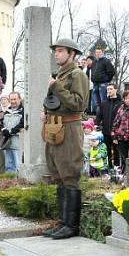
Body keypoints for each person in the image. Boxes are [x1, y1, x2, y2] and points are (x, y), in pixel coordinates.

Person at [40, 38, 89, 240]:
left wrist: (56, 87)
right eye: (56, 51)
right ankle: (62, 222)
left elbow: (79, 103)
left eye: (60, 51)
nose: (56, 54)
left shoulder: (77, 74)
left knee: (69, 174)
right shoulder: (60, 74)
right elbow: (57, 102)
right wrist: (46, 112)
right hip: (55, 126)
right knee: (58, 174)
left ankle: (72, 225)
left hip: (69, 127)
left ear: (72, 54)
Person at [95, 83, 122, 168]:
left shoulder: (121, 103)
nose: (109, 91)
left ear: (116, 90)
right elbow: (99, 115)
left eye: (111, 89)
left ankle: (117, 168)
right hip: (106, 131)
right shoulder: (104, 103)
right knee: (107, 151)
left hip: (117, 132)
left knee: (117, 151)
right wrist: (96, 124)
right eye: (108, 89)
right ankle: (108, 168)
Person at [0, 91, 24, 173]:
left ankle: (19, 183)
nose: (13, 101)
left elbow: (23, 123)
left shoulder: (23, 111)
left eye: (15, 99)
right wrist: (3, 130)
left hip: (18, 144)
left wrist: (11, 131)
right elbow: (1, 124)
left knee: (18, 165)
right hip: (7, 143)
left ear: (19, 99)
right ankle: (10, 183)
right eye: (11, 99)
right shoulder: (7, 111)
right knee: (9, 166)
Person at [90, 46, 115, 114]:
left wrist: (107, 79)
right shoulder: (94, 62)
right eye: (97, 52)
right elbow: (92, 72)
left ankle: (105, 114)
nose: (98, 54)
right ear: (95, 53)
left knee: (103, 100)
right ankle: (98, 114)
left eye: (99, 52)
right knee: (96, 102)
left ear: (102, 53)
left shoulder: (106, 61)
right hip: (95, 84)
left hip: (103, 84)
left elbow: (112, 71)